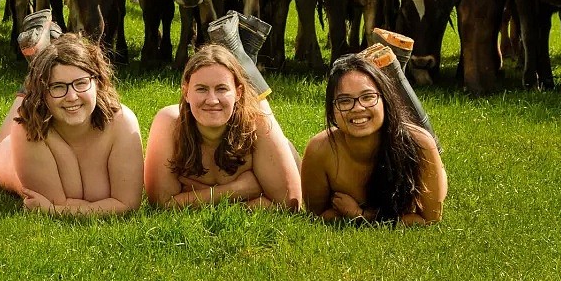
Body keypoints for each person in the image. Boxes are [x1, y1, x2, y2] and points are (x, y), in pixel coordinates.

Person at [0, 33, 144, 215]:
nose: (71, 97)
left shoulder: (122, 122)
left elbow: (128, 204)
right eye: (58, 86)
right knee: (19, 120)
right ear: (42, 93)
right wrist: (66, 206)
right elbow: (56, 201)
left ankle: (40, 59)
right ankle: (26, 89)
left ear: (98, 82)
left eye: (81, 83)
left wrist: (57, 210)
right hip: (7, 155)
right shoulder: (28, 130)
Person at [144, 44, 302, 209]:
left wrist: (192, 198)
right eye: (201, 89)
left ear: (238, 93)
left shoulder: (257, 122)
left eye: (221, 89)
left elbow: (289, 202)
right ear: (186, 93)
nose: (212, 100)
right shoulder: (169, 122)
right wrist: (240, 189)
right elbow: (161, 203)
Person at [301, 54, 447, 225]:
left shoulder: (420, 144)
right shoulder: (320, 149)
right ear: (332, 109)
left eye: (368, 97)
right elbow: (318, 217)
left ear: (385, 100)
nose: (358, 107)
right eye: (345, 101)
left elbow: (429, 220)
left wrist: (361, 215)